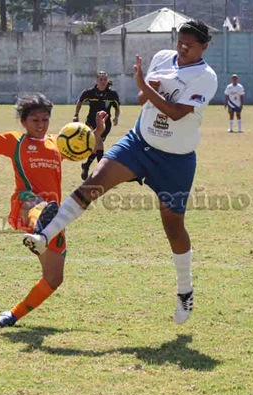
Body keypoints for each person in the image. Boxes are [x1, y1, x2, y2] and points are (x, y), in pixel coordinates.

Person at [23, 20, 218, 325]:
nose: (182, 49)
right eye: (180, 42)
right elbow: (143, 101)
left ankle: (185, 290)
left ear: (204, 47)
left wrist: (144, 85)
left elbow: (178, 113)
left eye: (189, 46)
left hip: (176, 161)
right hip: (138, 144)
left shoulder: (206, 77)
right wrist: (148, 87)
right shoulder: (164, 58)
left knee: (173, 227)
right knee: (94, 182)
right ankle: (44, 235)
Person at [0, 93, 105, 328]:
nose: (41, 125)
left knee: (54, 279)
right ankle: (39, 226)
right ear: (23, 122)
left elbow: (85, 149)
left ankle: (13, 315)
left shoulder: (56, 142)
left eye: (45, 120)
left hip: (54, 216)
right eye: (35, 120)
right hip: (26, 204)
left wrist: (98, 132)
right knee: (36, 204)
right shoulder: (14, 141)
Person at [73, 71, 121, 180]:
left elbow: (117, 108)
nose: (103, 82)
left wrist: (116, 117)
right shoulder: (89, 92)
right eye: (101, 79)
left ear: (107, 81)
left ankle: (86, 166)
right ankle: (102, 172)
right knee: (99, 144)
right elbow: (80, 102)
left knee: (96, 147)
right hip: (91, 122)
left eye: (105, 79)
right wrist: (76, 115)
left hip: (105, 124)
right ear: (97, 81)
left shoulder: (112, 94)